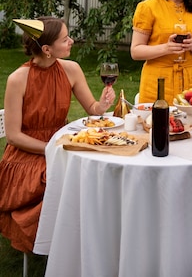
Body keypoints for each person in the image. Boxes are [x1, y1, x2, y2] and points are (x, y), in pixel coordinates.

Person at [0, 16, 116, 255]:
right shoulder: (17, 79)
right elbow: (13, 136)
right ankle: (58, 245)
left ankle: (89, 245)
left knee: (94, 175)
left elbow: (93, 110)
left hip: (61, 147)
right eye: (65, 39)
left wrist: (103, 104)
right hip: (27, 155)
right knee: (65, 180)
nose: (71, 41)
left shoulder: (71, 69)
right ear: (47, 49)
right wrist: (53, 148)